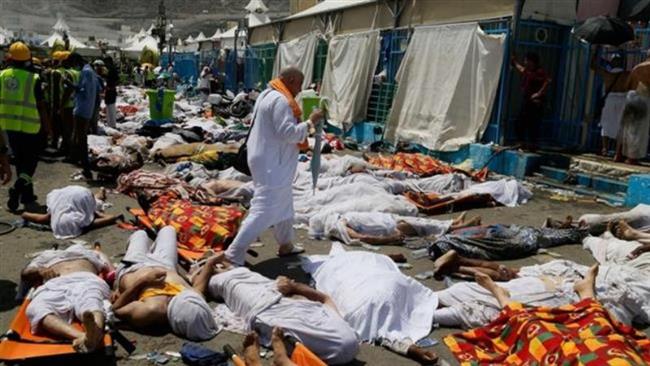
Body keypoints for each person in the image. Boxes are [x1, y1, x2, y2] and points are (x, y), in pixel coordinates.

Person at [224, 67, 322, 266]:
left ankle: (285, 244)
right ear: (292, 80)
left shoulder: (266, 94)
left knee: (285, 205)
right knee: (264, 208)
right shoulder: (280, 100)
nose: (299, 90)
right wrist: (310, 122)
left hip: (267, 159)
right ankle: (233, 254)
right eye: (299, 85)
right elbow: (288, 133)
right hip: (272, 163)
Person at [192, 253, 359, 364]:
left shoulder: (344, 341)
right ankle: (209, 268)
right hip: (276, 303)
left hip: (266, 307)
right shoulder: (342, 337)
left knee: (230, 281)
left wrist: (296, 287)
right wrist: (293, 287)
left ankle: (204, 269)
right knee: (240, 277)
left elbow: (324, 298)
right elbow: (325, 299)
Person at [111, 226, 219, 341]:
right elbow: (199, 287)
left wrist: (143, 281)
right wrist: (210, 263)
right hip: (165, 264)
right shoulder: (192, 300)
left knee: (140, 234)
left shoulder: (152, 310)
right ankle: (151, 248)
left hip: (133, 265)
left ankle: (141, 245)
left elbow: (116, 309)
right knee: (169, 230)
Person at [20, 243, 112, 353]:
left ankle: (94, 331)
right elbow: (25, 274)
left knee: (91, 301)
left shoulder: (91, 253)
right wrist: (39, 271)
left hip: (85, 279)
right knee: (36, 308)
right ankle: (85, 336)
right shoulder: (45, 257)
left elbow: (112, 271)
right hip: (55, 284)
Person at [0, 42, 49, 211]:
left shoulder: (2, 75)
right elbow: (41, 106)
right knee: (31, 163)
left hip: (9, 127)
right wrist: (47, 127)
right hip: (31, 126)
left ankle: (27, 196)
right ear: (28, 59)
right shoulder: (33, 78)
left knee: (20, 161)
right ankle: (18, 188)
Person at [309, 211, 480, 246]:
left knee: (421, 222)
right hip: (388, 227)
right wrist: (389, 239)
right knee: (422, 227)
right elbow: (360, 237)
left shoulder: (341, 219)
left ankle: (453, 223)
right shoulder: (338, 227)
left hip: (385, 219)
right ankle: (460, 227)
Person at [21, 185, 122, 239]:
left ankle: (100, 193)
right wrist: (25, 215)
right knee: (96, 203)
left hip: (81, 195)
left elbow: (112, 218)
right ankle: (101, 193)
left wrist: (98, 214)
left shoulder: (83, 222)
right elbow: (39, 218)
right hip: (70, 194)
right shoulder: (53, 218)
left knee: (95, 203)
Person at [67, 53, 99, 179]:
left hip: (82, 109)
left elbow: (83, 91)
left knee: (81, 139)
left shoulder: (85, 72)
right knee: (79, 138)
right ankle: (78, 161)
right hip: (87, 109)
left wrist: (70, 85)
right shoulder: (91, 72)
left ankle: (86, 169)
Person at [591, 51, 629, 156]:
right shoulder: (627, 74)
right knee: (621, 125)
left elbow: (593, 66)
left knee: (606, 124)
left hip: (610, 99)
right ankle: (618, 152)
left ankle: (605, 149)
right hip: (622, 99)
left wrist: (595, 51)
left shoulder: (607, 74)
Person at [511, 52, 550, 150]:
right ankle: (522, 142)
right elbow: (522, 69)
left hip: (535, 102)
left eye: (527, 60)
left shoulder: (539, 72)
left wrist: (539, 93)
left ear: (532, 62)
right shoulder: (528, 71)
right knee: (520, 121)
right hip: (527, 100)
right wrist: (514, 63)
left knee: (532, 124)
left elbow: (547, 81)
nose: (525, 62)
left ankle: (532, 144)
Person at [615, 82, 650, 165]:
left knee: (625, 128)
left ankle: (618, 155)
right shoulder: (647, 70)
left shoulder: (636, 70)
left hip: (631, 95)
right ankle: (632, 158)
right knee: (638, 130)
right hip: (643, 97)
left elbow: (626, 84)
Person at [60, 51, 77, 157]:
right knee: (72, 129)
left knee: (67, 129)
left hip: (68, 105)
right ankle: (71, 149)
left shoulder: (67, 74)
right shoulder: (76, 72)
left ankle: (68, 152)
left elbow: (67, 90)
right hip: (75, 104)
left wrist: (61, 105)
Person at [103, 56, 119, 128]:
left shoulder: (112, 70)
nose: (105, 64)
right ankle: (110, 123)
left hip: (111, 90)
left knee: (111, 107)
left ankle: (112, 124)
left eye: (106, 62)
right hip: (111, 90)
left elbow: (114, 80)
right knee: (109, 107)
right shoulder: (111, 69)